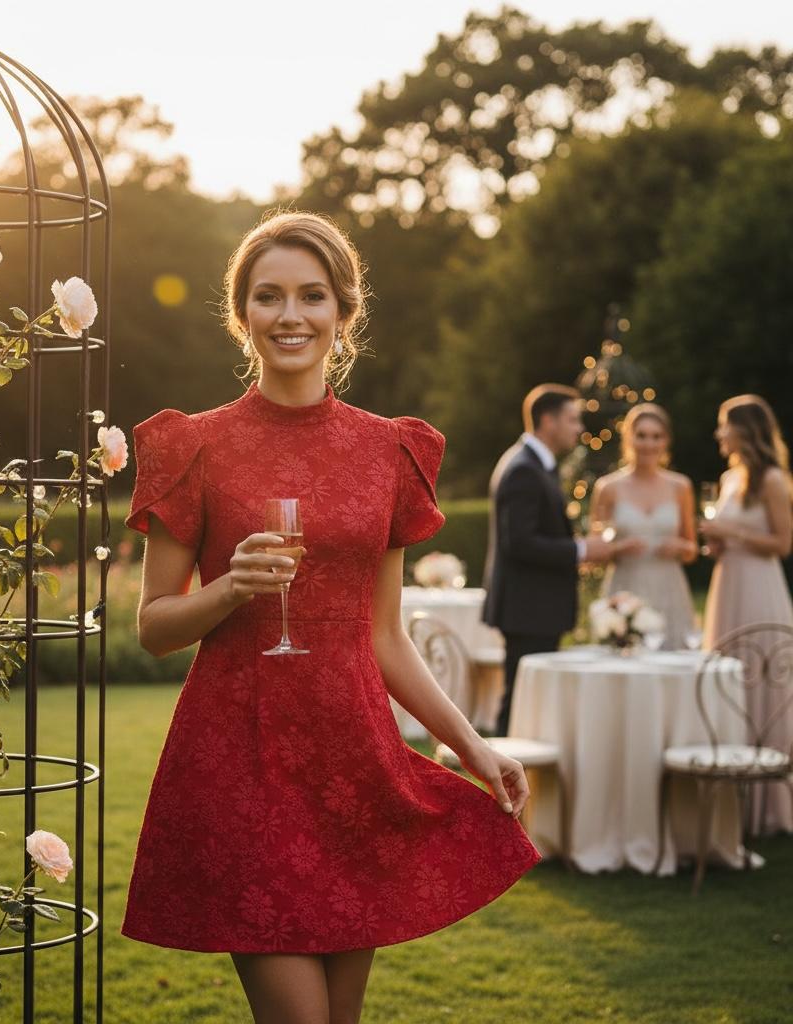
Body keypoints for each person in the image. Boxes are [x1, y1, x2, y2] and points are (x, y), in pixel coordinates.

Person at [120, 210, 540, 1024]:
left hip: (353, 766)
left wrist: (475, 748)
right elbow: (154, 627)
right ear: (241, 314)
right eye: (268, 296)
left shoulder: (391, 451)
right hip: (239, 759)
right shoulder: (193, 446)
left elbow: (383, 637)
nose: (290, 315)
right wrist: (230, 588)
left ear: (344, 313)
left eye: (312, 296)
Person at [482, 384, 634, 737]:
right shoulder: (524, 468)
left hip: (534, 607)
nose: (578, 429)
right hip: (528, 608)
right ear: (547, 421)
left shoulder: (536, 464)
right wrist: (581, 550)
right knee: (520, 702)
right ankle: (502, 783)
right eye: (572, 419)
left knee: (526, 701)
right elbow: (518, 542)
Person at [700, 394, 793, 836]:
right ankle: (732, 799)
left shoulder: (771, 478)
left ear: (744, 430)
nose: (719, 433)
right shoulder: (728, 478)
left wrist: (728, 531)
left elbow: (782, 544)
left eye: (724, 425)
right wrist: (717, 543)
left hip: (759, 585)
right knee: (726, 680)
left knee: (762, 677)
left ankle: (771, 804)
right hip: (728, 581)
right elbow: (727, 537)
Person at [589, 403, 698, 649]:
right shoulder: (608, 488)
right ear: (628, 438)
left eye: (656, 436)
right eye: (642, 436)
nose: (649, 444)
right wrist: (617, 548)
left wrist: (679, 546)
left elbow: (692, 551)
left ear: (666, 441)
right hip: (624, 589)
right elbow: (593, 553)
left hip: (669, 587)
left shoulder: (681, 487)